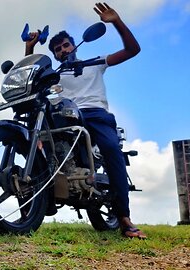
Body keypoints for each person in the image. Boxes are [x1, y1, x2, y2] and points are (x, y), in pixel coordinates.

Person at [25, 2, 146, 239]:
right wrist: (28, 48)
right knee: (39, 137)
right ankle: (40, 194)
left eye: (66, 44)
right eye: (58, 49)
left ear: (74, 45)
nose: (63, 50)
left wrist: (117, 22)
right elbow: (30, 77)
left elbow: (133, 50)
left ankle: (124, 218)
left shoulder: (95, 63)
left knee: (111, 149)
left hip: (94, 114)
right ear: (55, 55)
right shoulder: (55, 75)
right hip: (65, 116)